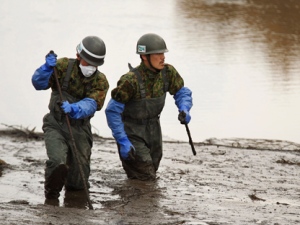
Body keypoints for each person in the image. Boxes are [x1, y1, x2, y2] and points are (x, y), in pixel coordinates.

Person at [105, 33, 193, 181]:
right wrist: (122, 140)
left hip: (154, 129)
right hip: (132, 131)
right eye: (158, 54)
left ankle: (135, 194)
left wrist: (184, 107)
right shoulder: (130, 81)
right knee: (145, 173)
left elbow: (181, 92)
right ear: (144, 56)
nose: (162, 57)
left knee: (152, 166)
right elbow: (112, 111)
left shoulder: (168, 73)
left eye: (163, 53)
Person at [31, 36, 109, 200]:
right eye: (88, 62)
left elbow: (92, 104)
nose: (91, 67)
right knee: (57, 161)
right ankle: (51, 194)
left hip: (80, 128)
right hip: (56, 124)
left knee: (77, 183)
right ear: (79, 56)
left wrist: (75, 108)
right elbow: (38, 84)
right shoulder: (63, 67)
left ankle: (73, 191)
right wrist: (46, 69)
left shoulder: (100, 81)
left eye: (95, 64)